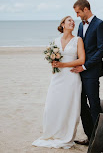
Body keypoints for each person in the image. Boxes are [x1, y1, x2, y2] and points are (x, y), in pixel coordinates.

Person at [32, 16, 85, 149]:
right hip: (57, 77)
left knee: (69, 106)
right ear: (62, 24)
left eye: (73, 21)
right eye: (69, 21)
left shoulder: (78, 40)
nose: (72, 22)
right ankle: (52, 132)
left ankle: (65, 135)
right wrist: (54, 63)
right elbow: (52, 59)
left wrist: (63, 64)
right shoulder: (55, 41)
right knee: (52, 104)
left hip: (72, 77)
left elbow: (82, 60)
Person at [71, 0, 103, 145]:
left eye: (78, 12)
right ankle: (89, 136)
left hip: (91, 72)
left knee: (94, 105)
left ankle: (99, 140)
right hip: (79, 73)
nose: (77, 15)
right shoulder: (80, 25)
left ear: (86, 9)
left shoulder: (100, 24)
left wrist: (85, 66)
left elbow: (101, 50)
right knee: (81, 105)